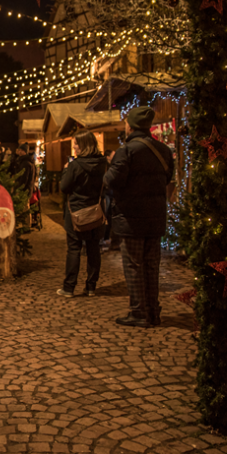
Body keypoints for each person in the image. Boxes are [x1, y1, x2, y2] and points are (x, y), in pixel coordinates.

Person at [104, 106, 174, 328]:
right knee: (151, 266)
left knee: (133, 266)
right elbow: (168, 177)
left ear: (131, 126)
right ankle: (153, 310)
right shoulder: (163, 150)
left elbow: (111, 181)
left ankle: (138, 313)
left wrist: (111, 165)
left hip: (131, 219)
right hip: (155, 218)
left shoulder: (126, 151)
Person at [58, 130, 108, 298]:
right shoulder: (103, 164)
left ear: (85, 145)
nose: (74, 147)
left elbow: (64, 187)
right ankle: (91, 287)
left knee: (74, 249)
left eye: (77, 144)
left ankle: (69, 288)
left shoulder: (75, 166)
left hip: (76, 214)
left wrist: (65, 171)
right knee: (94, 249)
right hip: (96, 212)